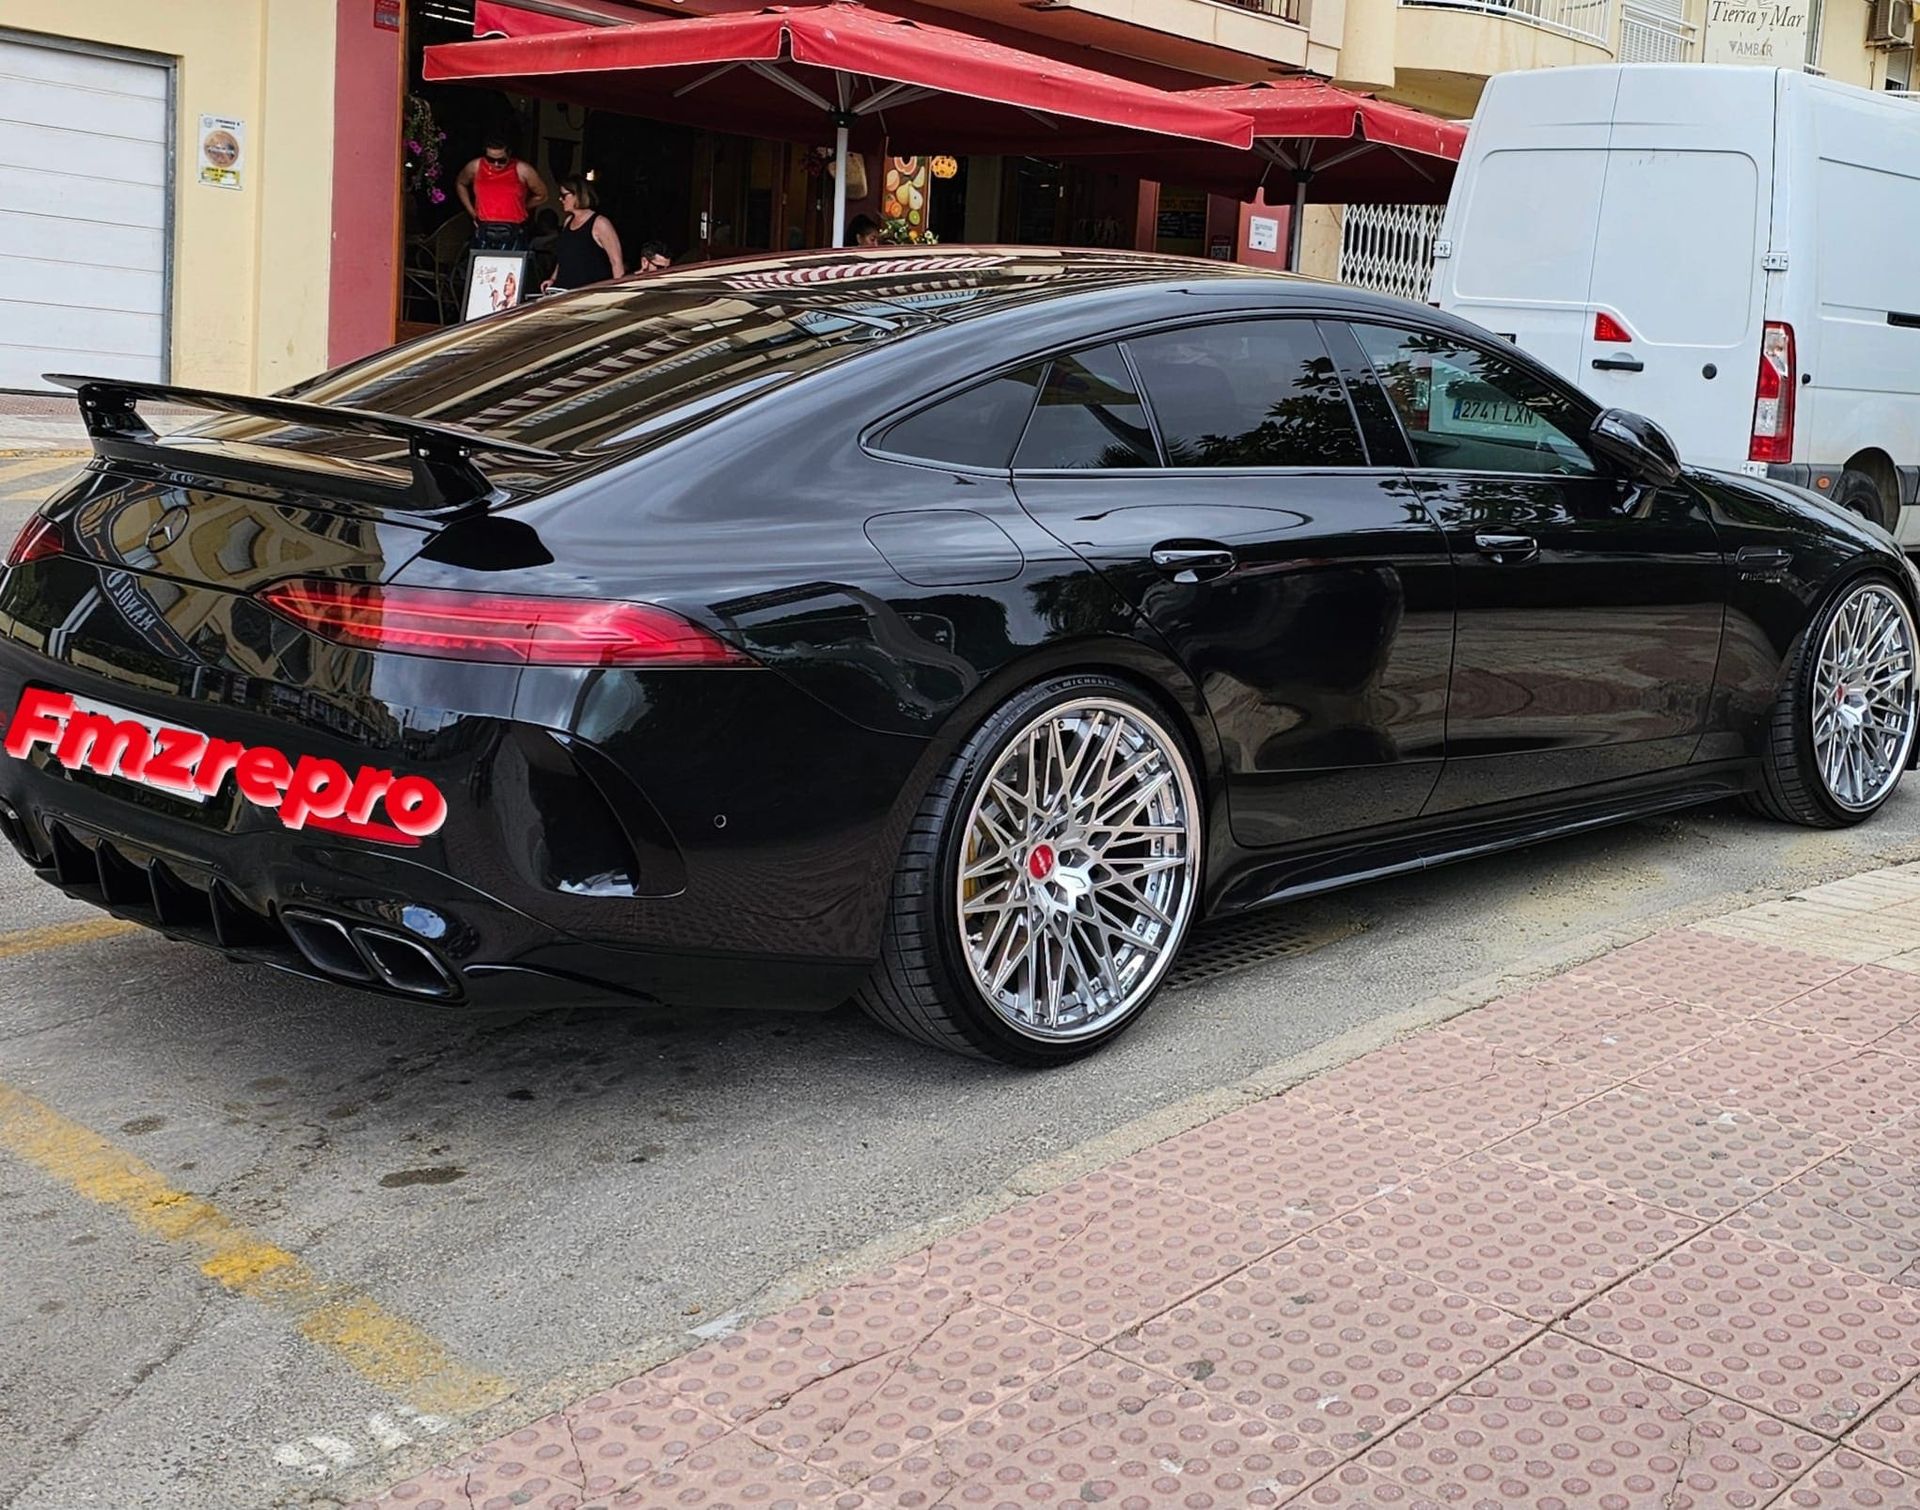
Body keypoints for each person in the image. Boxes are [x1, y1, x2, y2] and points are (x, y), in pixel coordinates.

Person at [456, 131, 548, 252]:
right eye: (490, 159)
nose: (496, 164)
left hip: (514, 227)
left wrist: (522, 206)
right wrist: (472, 212)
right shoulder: (475, 166)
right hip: (484, 225)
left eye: (501, 160)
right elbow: (460, 183)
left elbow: (542, 195)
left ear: (509, 154)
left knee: (512, 268)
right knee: (483, 268)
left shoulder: (522, 169)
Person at [540, 177, 626, 293]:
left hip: (589, 292)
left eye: (564, 195)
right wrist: (553, 279)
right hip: (563, 290)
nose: (560, 199)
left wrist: (618, 293)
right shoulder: (568, 221)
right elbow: (564, 257)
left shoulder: (600, 223)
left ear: (577, 195)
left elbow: (616, 261)